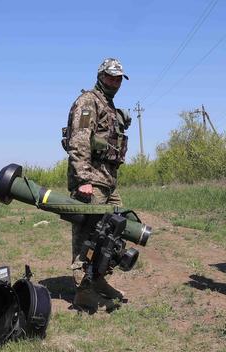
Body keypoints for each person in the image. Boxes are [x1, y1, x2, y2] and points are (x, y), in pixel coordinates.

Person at [62, 58, 131, 312]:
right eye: (111, 77)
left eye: (118, 78)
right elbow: (79, 141)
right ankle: (83, 292)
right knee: (88, 236)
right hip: (92, 180)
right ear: (101, 75)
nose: (115, 82)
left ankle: (99, 280)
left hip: (108, 181)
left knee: (112, 233)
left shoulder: (109, 105)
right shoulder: (88, 101)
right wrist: (83, 180)